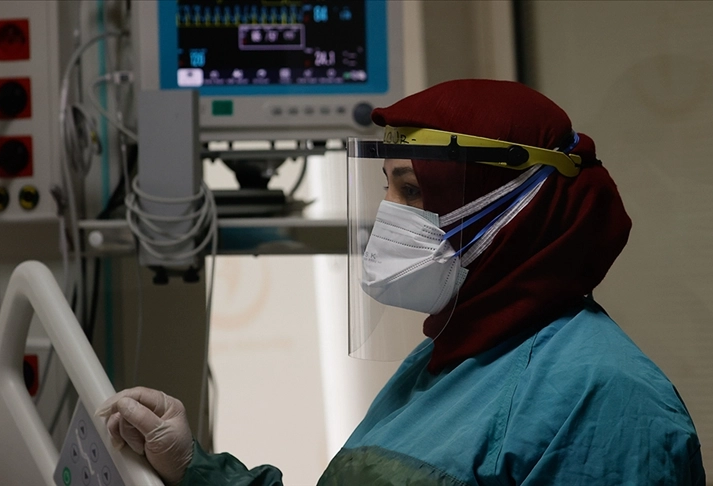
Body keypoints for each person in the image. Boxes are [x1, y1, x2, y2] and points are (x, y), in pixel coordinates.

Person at [98, 79, 705, 485]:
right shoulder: (450, 361)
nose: (389, 216)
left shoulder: (607, 399)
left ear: (514, 209)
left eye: (412, 191)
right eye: (386, 187)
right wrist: (191, 468)